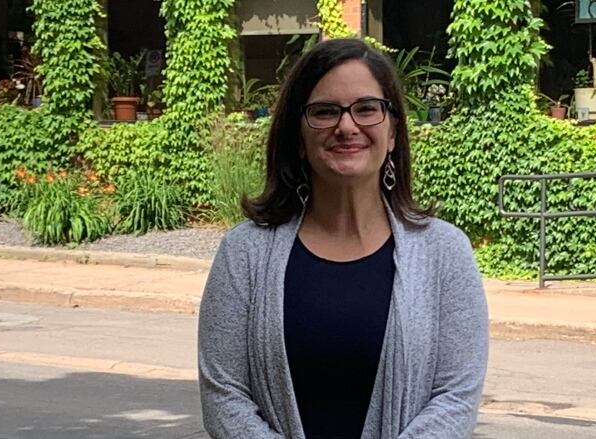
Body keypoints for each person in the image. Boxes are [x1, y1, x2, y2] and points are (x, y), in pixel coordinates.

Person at [198, 38, 488, 439]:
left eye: (367, 108)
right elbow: (224, 396)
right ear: (298, 138)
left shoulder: (445, 252)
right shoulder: (244, 253)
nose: (346, 126)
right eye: (324, 111)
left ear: (392, 133)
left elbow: (455, 398)